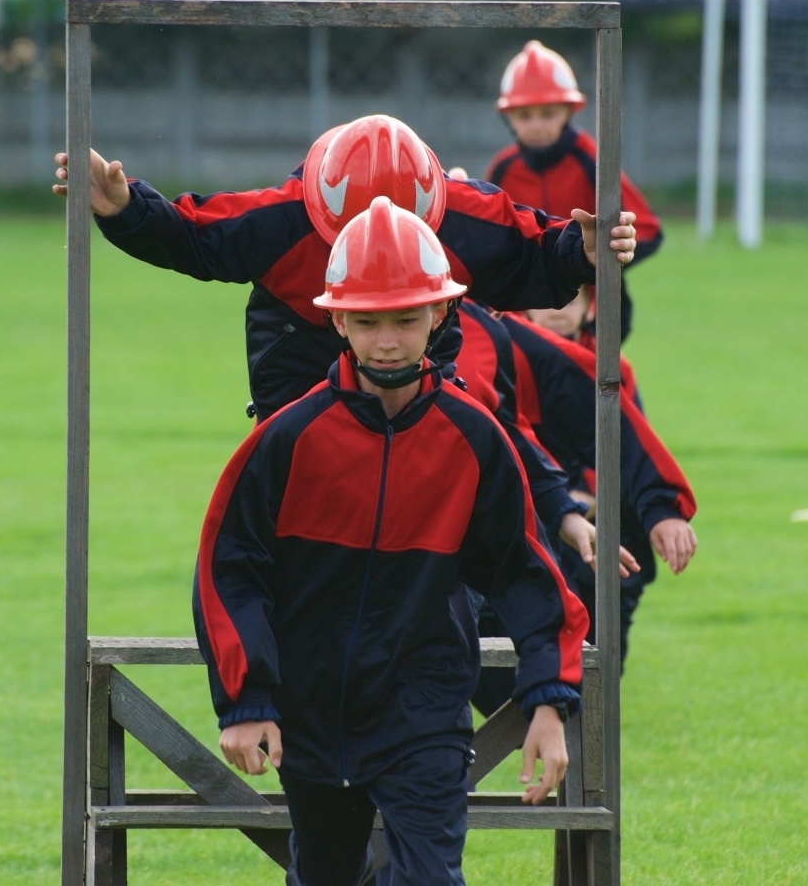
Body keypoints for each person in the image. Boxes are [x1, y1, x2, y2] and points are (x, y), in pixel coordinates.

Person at [195, 197, 589, 886]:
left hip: (424, 715)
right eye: (368, 321)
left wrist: (549, 701)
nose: (386, 340)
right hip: (309, 718)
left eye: (407, 319)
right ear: (337, 319)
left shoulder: (475, 440)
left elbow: (530, 578)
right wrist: (248, 699)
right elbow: (228, 568)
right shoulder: (287, 439)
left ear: (440, 314)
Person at [52, 113, 638, 421]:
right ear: (320, 211)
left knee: (439, 452)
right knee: (302, 464)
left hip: (423, 343)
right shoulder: (282, 219)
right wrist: (127, 208)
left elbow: (531, 248)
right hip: (298, 342)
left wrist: (581, 252)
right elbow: (193, 235)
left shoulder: (465, 215)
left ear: (431, 214)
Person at [499, 310, 698, 664]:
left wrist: (658, 506)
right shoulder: (507, 354)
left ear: (593, 304)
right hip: (538, 524)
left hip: (607, 527)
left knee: (602, 661)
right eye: (545, 299)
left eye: (572, 295)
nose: (558, 308)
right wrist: (562, 499)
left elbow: (625, 444)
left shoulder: (611, 368)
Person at [479, 40, 664, 345]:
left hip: (591, 311)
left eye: (548, 113)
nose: (537, 125)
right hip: (525, 310)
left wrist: (592, 266)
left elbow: (645, 229)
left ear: (568, 111)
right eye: (525, 116)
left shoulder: (592, 158)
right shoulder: (503, 168)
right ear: (508, 118)